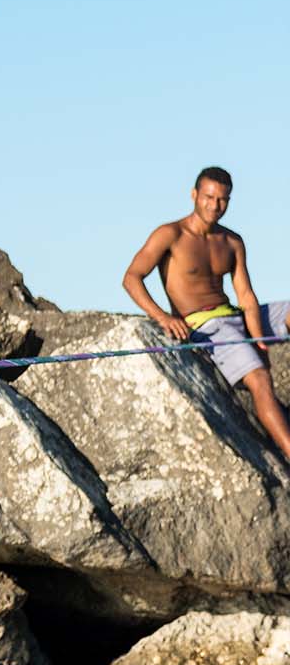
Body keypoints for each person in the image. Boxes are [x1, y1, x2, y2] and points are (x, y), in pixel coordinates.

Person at [123, 166, 290, 458]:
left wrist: (258, 337)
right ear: (194, 195)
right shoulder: (170, 235)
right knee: (261, 380)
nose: (215, 206)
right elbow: (131, 277)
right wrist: (163, 317)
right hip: (208, 326)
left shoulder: (231, 241)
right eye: (209, 197)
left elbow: (247, 296)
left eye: (222, 200)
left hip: (236, 315)